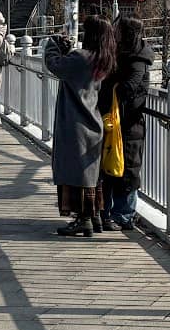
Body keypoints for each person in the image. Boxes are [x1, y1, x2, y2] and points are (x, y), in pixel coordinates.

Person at [44, 16, 118, 236]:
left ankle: (83, 219)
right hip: (93, 121)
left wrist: (53, 44)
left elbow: (54, 65)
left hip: (75, 124)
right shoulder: (104, 59)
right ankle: (94, 216)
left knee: (74, 173)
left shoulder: (81, 57)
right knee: (90, 173)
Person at [99, 16, 153, 231]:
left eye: (118, 31)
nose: (114, 34)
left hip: (129, 124)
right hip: (116, 123)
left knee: (127, 171)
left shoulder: (137, 60)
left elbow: (128, 88)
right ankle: (109, 213)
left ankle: (123, 215)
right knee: (112, 169)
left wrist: (109, 89)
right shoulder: (124, 55)